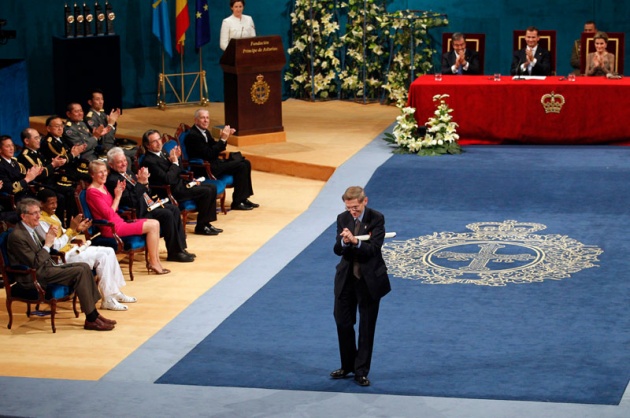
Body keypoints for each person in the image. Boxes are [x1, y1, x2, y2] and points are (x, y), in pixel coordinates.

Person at [8, 198, 117, 331]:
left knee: (84, 266)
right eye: (35, 213)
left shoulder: (31, 229)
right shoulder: (17, 236)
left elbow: (48, 249)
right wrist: (48, 243)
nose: (38, 216)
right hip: (34, 276)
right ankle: (91, 318)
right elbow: (35, 263)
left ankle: (93, 314)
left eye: (39, 212)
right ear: (23, 216)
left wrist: (53, 240)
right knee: (80, 271)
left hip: (47, 267)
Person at [330, 186, 390, 387]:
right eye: (349, 208)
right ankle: (347, 365)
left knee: (366, 327)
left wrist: (356, 242)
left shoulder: (376, 218)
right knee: (342, 322)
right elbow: (337, 249)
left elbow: (374, 249)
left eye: (355, 207)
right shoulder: (343, 218)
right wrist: (345, 242)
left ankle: (361, 370)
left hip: (369, 280)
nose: (352, 212)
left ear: (365, 201)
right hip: (346, 278)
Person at [37, 188, 136, 311]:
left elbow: (65, 237)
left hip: (72, 249)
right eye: (51, 203)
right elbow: (55, 246)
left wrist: (77, 230)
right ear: (41, 204)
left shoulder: (53, 216)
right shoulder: (40, 222)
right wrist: (71, 229)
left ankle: (115, 292)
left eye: (56, 202)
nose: (55, 206)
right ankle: (108, 300)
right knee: (102, 257)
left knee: (109, 251)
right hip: (61, 257)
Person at [106, 147, 195, 263]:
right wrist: (141, 184)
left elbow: (144, 192)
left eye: (124, 160)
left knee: (174, 209)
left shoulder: (128, 172)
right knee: (167, 214)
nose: (124, 164)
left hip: (147, 205)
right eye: (119, 162)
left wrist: (146, 184)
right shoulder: (114, 180)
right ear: (111, 165)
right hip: (137, 212)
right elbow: (130, 201)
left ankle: (181, 249)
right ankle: (174, 253)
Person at [86, 160, 170, 275]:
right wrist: (117, 197)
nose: (104, 174)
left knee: (155, 222)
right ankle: (154, 263)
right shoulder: (92, 192)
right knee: (153, 225)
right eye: (100, 172)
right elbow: (109, 214)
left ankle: (156, 262)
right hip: (111, 228)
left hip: (119, 222)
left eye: (105, 171)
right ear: (92, 175)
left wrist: (118, 194)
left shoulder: (103, 186)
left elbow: (113, 209)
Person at [141, 129, 223, 236]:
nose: (159, 143)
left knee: (212, 187)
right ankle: (201, 226)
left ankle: (206, 223)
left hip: (181, 184)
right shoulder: (149, 161)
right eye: (154, 141)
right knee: (206, 191)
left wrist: (178, 160)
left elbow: (178, 170)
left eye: (159, 139)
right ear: (147, 145)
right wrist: (174, 163)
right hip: (170, 191)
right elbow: (168, 179)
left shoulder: (163, 152)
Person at [184, 109, 258, 210]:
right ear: (196, 120)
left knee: (245, 163)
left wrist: (225, 138)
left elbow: (213, 147)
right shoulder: (193, 136)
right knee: (241, 165)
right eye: (202, 118)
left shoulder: (205, 131)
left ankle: (243, 198)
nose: (206, 120)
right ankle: (237, 202)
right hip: (205, 167)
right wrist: (222, 139)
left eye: (207, 118)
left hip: (214, 163)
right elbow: (209, 154)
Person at [17, 127, 77, 226]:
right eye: (36, 138)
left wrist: (55, 164)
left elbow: (48, 166)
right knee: (60, 197)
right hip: (39, 185)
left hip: (50, 181)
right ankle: (60, 225)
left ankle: (71, 223)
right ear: (26, 141)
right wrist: (53, 165)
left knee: (71, 190)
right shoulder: (25, 156)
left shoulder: (38, 152)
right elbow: (39, 174)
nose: (39, 140)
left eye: (39, 137)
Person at [85, 89, 137, 161]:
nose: (101, 102)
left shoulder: (102, 114)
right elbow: (103, 140)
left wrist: (113, 123)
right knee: (134, 153)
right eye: (97, 99)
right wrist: (111, 123)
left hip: (112, 143)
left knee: (136, 148)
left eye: (102, 99)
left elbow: (112, 133)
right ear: (90, 102)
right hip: (104, 148)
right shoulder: (90, 118)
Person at [41, 115, 90, 183]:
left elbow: (72, 150)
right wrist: (73, 154)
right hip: (62, 172)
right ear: (48, 128)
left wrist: (78, 150)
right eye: (57, 126)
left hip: (72, 166)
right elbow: (61, 160)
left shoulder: (62, 137)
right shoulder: (48, 143)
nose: (60, 128)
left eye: (61, 125)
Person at [0, 135, 43, 202]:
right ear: (0, 149)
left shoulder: (14, 161)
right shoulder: (1, 166)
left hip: (25, 194)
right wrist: (28, 178)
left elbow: (23, 178)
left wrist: (34, 174)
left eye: (12, 145)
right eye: (8, 146)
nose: (11, 148)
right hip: (13, 198)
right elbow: (11, 189)